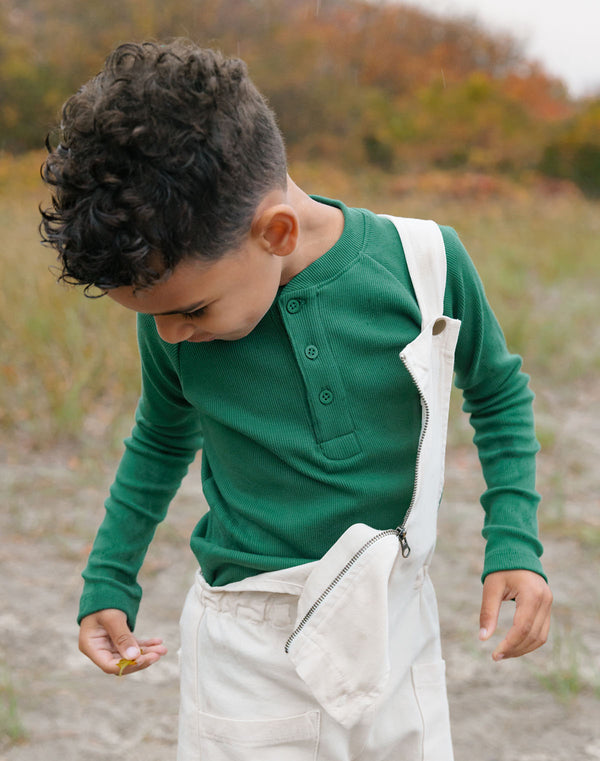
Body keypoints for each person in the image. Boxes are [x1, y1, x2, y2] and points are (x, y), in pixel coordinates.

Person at [40, 39, 552, 761]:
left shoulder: (427, 264)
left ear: (274, 232)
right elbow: (160, 438)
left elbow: (497, 393)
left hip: (397, 622)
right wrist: (108, 578)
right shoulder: (172, 319)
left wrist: (516, 544)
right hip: (248, 649)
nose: (170, 334)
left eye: (191, 310)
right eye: (150, 316)